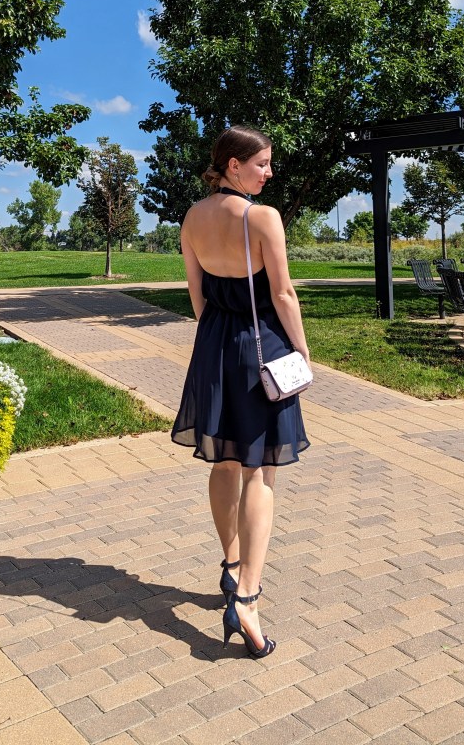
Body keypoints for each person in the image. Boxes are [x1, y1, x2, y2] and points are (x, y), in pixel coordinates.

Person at [171, 125, 311, 657]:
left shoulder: (192, 217)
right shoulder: (263, 218)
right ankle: (247, 597)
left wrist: (216, 341)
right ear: (233, 165)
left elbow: (196, 291)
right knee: (261, 469)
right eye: (262, 165)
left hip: (214, 345)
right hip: (260, 349)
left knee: (224, 463)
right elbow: (282, 292)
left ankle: (230, 566)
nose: (269, 173)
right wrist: (301, 352)